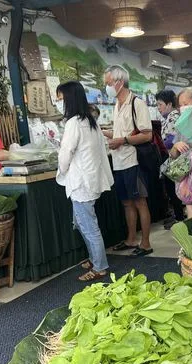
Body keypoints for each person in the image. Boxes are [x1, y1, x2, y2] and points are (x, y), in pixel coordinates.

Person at [55, 82, 113, 281]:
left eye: (61, 98)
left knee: (87, 225)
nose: (60, 102)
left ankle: (99, 266)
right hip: (90, 179)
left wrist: (62, 170)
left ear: (69, 99)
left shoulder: (74, 123)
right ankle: (94, 257)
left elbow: (66, 153)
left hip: (81, 182)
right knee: (81, 222)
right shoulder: (89, 120)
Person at [102, 65, 153, 257]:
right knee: (126, 202)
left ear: (119, 82)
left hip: (134, 160)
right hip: (119, 161)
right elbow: (120, 132)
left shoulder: (136, 104)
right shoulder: (116, 105)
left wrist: (122, 140)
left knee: (140, 201)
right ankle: (131, 238)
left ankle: (146, 243)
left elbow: (147, 135)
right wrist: (104, 133)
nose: (106, 87)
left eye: (108, 83)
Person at [169, 87, 192, 218]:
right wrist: (176, 146)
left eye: (185, 104)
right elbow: (173, 155)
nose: (182, 108)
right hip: (187, 181)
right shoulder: (181, 124)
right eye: (180, 105)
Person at [156, 89, 184, 227]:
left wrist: (161, 142)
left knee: (174, 189)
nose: (158, 108)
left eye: (160, 104)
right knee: (172, 189)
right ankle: (178, 215)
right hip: (170, 158)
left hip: (175, 159)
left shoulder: (173, 117)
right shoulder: (167, 118)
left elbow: (172, 140)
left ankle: (179, 218)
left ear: (169, 104)